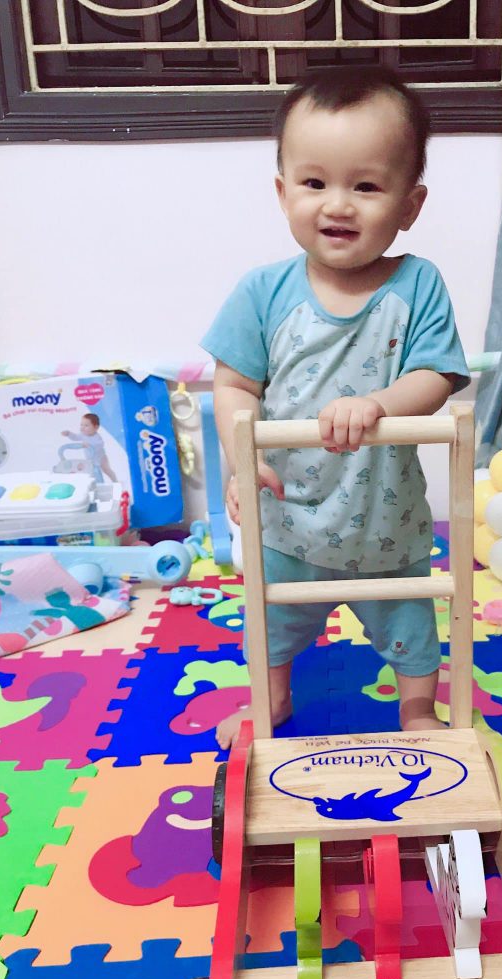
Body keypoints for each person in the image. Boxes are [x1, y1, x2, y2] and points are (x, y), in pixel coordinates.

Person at [201, 66, 470, 750]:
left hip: (384, 519)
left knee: (409, 619)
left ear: (410, 204)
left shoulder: (417, 284)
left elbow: (437, 375)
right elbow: (233, 386)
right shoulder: (263, 292)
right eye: (315, 183)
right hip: (287, 514)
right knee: (271, 619)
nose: (338, 205)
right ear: (283, 192)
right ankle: (273, 696)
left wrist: (377, 403)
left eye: (367, 186)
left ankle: (416, 708)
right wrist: (241, 458)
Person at [62, 413, 116, 483]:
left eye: (86, 425)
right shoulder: (83, 435)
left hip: (101, 458)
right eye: (81, 425)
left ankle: (115, 481)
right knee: (91, 472)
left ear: (96, 427)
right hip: (90, 459)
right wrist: (69, 434)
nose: (82, 427)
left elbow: (100, 444)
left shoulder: (97, 437)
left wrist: (90, 445)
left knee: (106, 470)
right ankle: (95, 483)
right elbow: (75, 437)